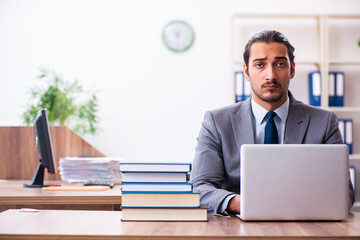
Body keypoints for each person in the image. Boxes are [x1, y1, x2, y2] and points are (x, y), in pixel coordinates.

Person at [191, 30, 355, 215]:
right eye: (260, 65)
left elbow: (344, 193)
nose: (271, 75)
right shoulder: (216, 122)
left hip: (305, 224)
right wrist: (243, 203)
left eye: (279, 64)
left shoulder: (324, 122)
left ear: (292, 70)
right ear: (246, 72)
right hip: (236, 226)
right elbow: (200, 188)